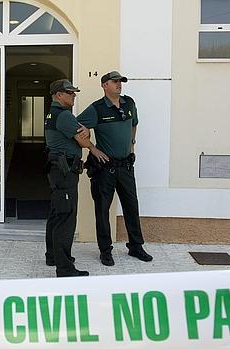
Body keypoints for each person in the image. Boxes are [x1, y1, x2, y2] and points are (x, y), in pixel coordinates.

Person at [77, 71, 153, 266]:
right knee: (102, 210)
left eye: (120, 82)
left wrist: (132, 144)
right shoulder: (97, 108)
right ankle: (105, 250)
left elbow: (134, 124)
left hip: (126, 166)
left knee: (131, 207)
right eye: (114, 82)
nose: (119, 85)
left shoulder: (129, 104)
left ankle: (136, 246)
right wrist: (92, 148)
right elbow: (75, 128)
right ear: (104, 85)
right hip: (105, 169)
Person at [44, 79, 107, 277]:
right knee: (66, 217)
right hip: (65, 171)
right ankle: (65, 268)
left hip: (58, 170)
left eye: (74, 93)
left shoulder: (54, 114)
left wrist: (82, 133)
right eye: (70, 93)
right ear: (59, 95)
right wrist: (92, 148)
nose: (74, 96)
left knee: (57, 214)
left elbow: (80, 133)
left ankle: (53, 256)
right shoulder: (63, 116)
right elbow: (82, 139)